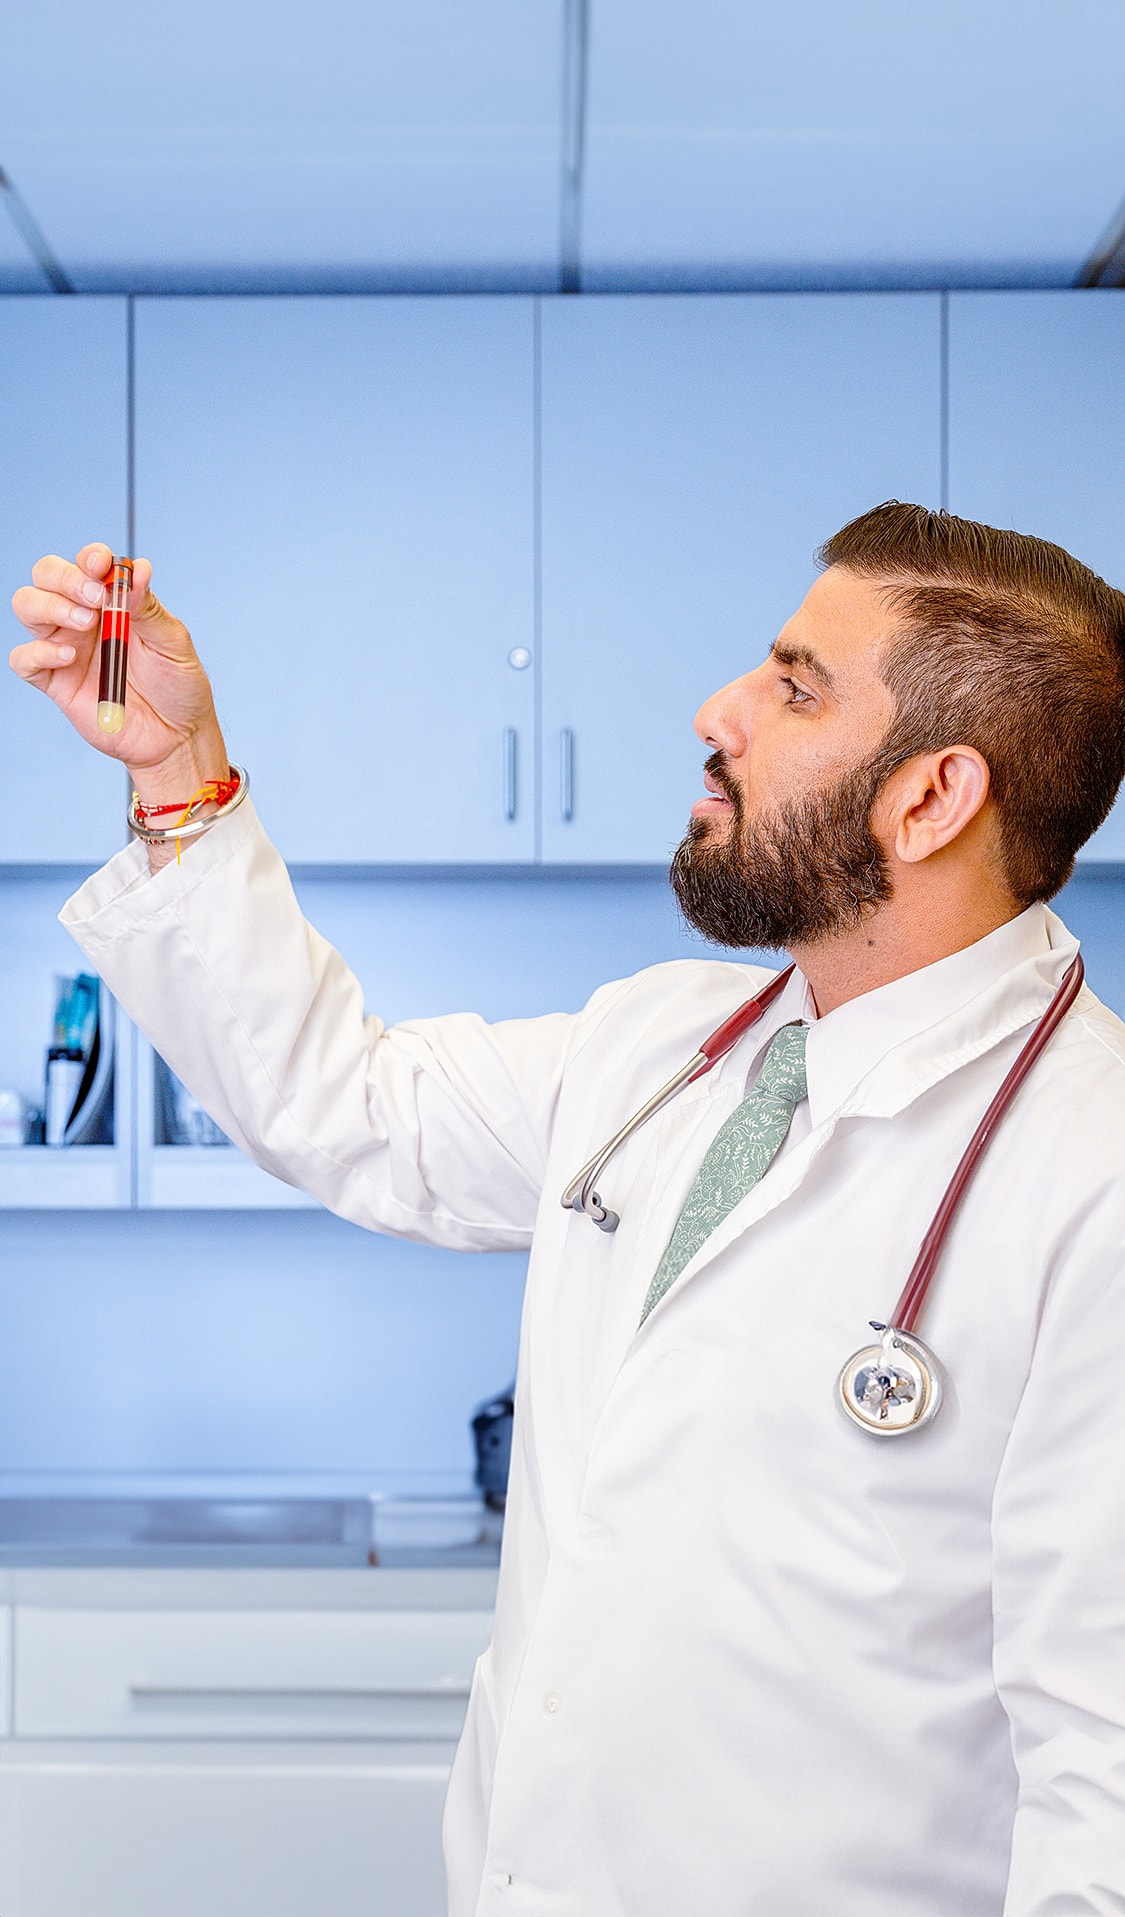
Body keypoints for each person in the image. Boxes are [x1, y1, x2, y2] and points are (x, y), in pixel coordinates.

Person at [10, 501, 1125, 1916]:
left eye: (793, 684)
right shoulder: (665, 1047)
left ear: (928, 798)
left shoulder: (1092, 1169)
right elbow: (345, 1106)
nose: (716, 709)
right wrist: (179, 767)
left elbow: (1105, 1784)